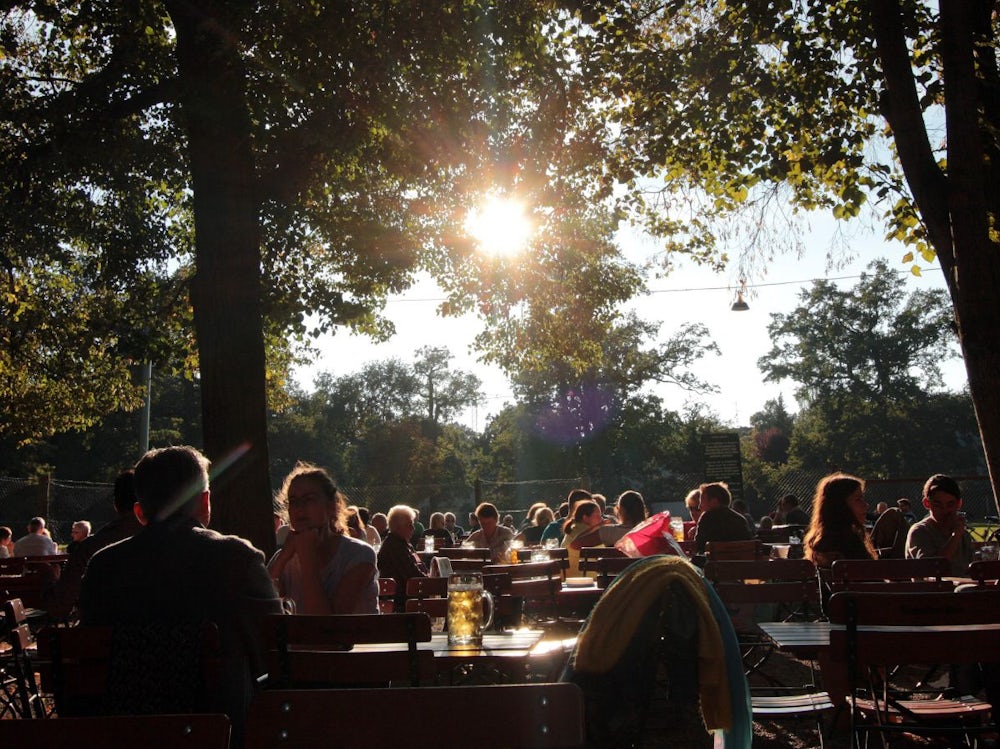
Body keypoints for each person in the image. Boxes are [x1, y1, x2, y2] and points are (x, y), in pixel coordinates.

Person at [77, 446, 282, 744]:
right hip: (219, 732)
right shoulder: (236, 558)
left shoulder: (102, 567)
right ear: (205, 501)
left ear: (139, 512)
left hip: (123, 733)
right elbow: (274, 644)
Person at [268, 463, 378, 615]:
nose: (300, 507)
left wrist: (308, 559)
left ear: (332, 506)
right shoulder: (284, 558)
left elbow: (326, 628)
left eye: (309, 499)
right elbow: (261, 612)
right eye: (293, 501)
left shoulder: (358, 555)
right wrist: (283, 557)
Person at [42, 468, 143, 621]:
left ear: (115, 504)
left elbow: (59, 607)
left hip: (100, 641)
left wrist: (50, 579)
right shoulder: (167, 544)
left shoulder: (90, 548)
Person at [802, 473, 877, 569]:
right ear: (840, 506)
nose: (866, 505)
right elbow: (873, 581)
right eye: (858, 499)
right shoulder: (851, 544)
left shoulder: (819, 544)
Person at [905, 473, 974, 576]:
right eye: (938, 505)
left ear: (959, 504)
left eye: (950, 504)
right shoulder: (920, 532)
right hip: (933, 590)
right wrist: (955, 536)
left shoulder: (963, 535)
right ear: (927, 504)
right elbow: (934, 568)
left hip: (962, 588)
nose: (944, 510)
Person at [376, 505, 427, 611]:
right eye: (410, 525)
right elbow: (412, 574)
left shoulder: (403, 544)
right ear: (398, 527)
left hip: (408, 598)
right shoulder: (395, 547)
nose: (413, 528)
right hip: (401, 604)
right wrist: (431, 582)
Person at [693, 482, 754, 554]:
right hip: (742, 563)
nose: (699, 507)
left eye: (702, 502)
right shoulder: (741, 520)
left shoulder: (706, 519)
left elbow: (699, 547)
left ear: (714, 501)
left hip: (714, 564)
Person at [562, 499, 606, 575]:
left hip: (568, 580)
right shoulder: (589, 537)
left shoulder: (572, 531)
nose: (601, 519)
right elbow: (604, 556)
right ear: (585, 518)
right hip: (587, 580)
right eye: (598, 516)